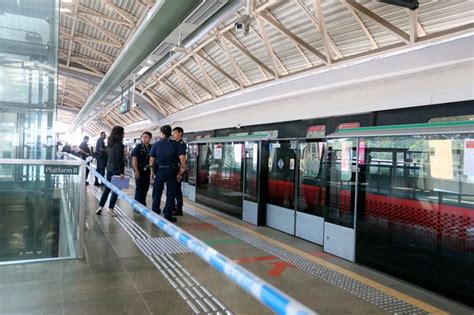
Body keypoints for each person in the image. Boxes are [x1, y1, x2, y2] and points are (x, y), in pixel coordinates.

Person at [149, 125, 186, 222]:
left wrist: (152, 172)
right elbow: (182, 158)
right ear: (170, 133)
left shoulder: (156, 144)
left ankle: (155, 211)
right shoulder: (176, 144)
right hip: (172, 171)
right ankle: (168, 214)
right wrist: (182, 170)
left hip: (160, 171)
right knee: (171, 193)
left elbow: (152, 160)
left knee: (157, 192)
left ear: (162, 133)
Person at [96, 126, 126, 217]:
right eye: (123, 132)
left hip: (109, 168)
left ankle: (100, 207)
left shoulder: (110, 143)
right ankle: (111, 209)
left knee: (107, 188)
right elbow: (118, 159)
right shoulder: (119, 145)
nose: (124, 134)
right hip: (117, 170)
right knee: (116, 190)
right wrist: (121, 172)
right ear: (120, 133)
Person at [131, 131, 152, 207]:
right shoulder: (138, 147)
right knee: (139, 187)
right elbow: (134, 159)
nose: (144, 138)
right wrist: (136, 171)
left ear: (150, 138)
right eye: (143, 137)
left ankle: (143, 203)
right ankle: (136, 206)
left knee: (146, 187)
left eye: (146, 137)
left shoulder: (151, 147)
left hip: (147, 170)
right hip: (139, 169)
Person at [172, 127, 187, 216]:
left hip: (178, 170)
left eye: (175, 133)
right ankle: (174, 207)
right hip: (174, 170)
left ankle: (179, 209)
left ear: (180, 133)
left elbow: (182, 158)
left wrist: (181, 171)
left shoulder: (181, 144)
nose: (174, 134)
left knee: (177, 190)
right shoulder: (175, 143)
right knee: (174, 189)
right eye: (173, 133)